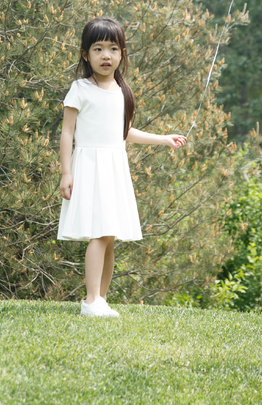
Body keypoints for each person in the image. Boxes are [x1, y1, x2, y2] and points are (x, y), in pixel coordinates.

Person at [58, 16, 187, 317]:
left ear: (122, 54)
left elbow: (124, 132)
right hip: (90, 165)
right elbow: (67, 132)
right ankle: (91, 300)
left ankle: (100, 299)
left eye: (113, 49)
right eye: (98, 49)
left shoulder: (122, 90)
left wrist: (164, 139)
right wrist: (66, 172)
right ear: (85, 54)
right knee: (99, 232)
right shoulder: (80, 89)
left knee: (110, 235)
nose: (106, 55)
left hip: (114, 167)